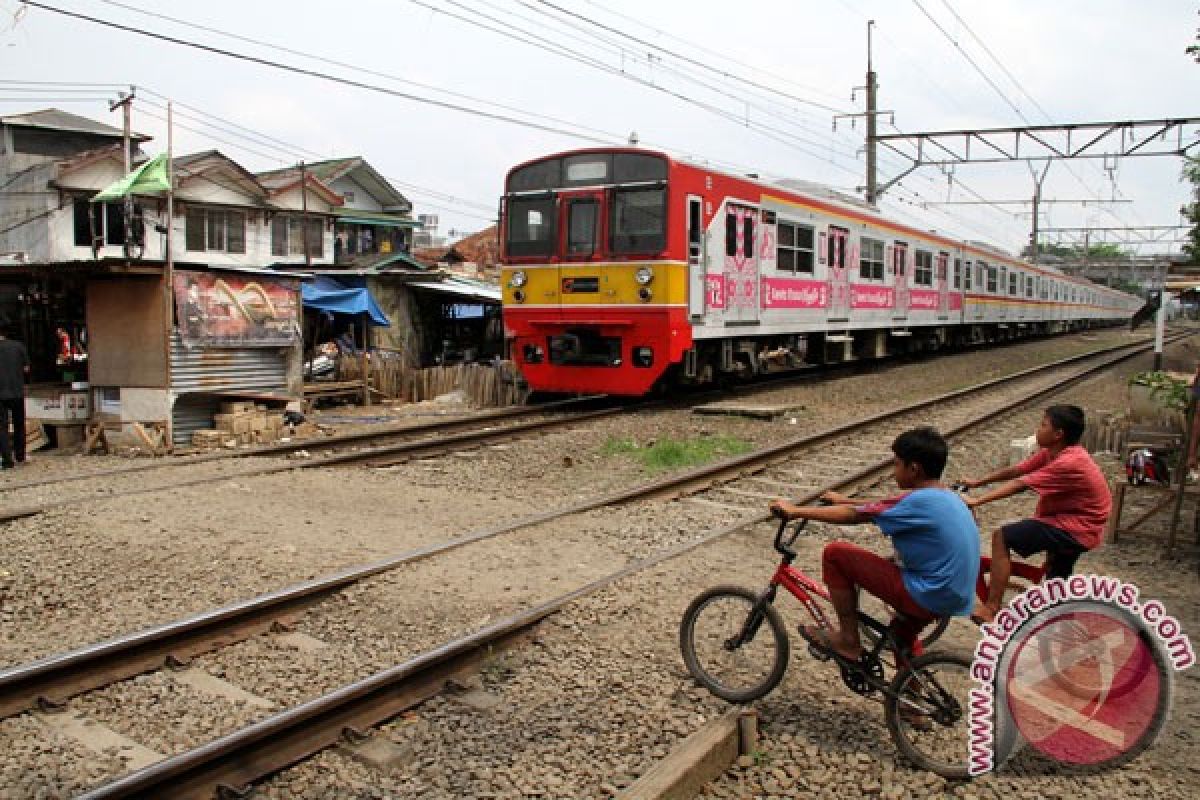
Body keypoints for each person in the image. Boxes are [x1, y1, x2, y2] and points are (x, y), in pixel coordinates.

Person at [769, 427, 980, 661]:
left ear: (914, 469)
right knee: (902, 636)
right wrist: (845, 500)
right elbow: (886, 506)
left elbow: (855, 516)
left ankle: (848, 640)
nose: (893, 471)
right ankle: (908, 692)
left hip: (929, 591)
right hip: (954, 593)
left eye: (896, 464)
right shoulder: (944, 495)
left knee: (836, 553)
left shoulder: (919, 500)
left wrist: (796, 511)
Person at [959, 404, 1111, 623]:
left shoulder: (1069, 462)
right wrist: (977, 482)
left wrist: (977, 501)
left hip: (1076, 527)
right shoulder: (1054, 453)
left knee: (1002, 536)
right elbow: (1018, 470)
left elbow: (1021, 484)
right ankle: (1059, 628)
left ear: (1058, 434)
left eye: (1043, 425)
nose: (1038, 430)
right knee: (1055, 585)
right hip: (1078, 524)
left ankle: (991, 608)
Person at [0, 327, 30, 470]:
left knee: (2, 427)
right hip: (17, 391)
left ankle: (6, 460)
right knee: (19, 425)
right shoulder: (19, 346)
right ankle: (20, 456)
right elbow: (26, 369)